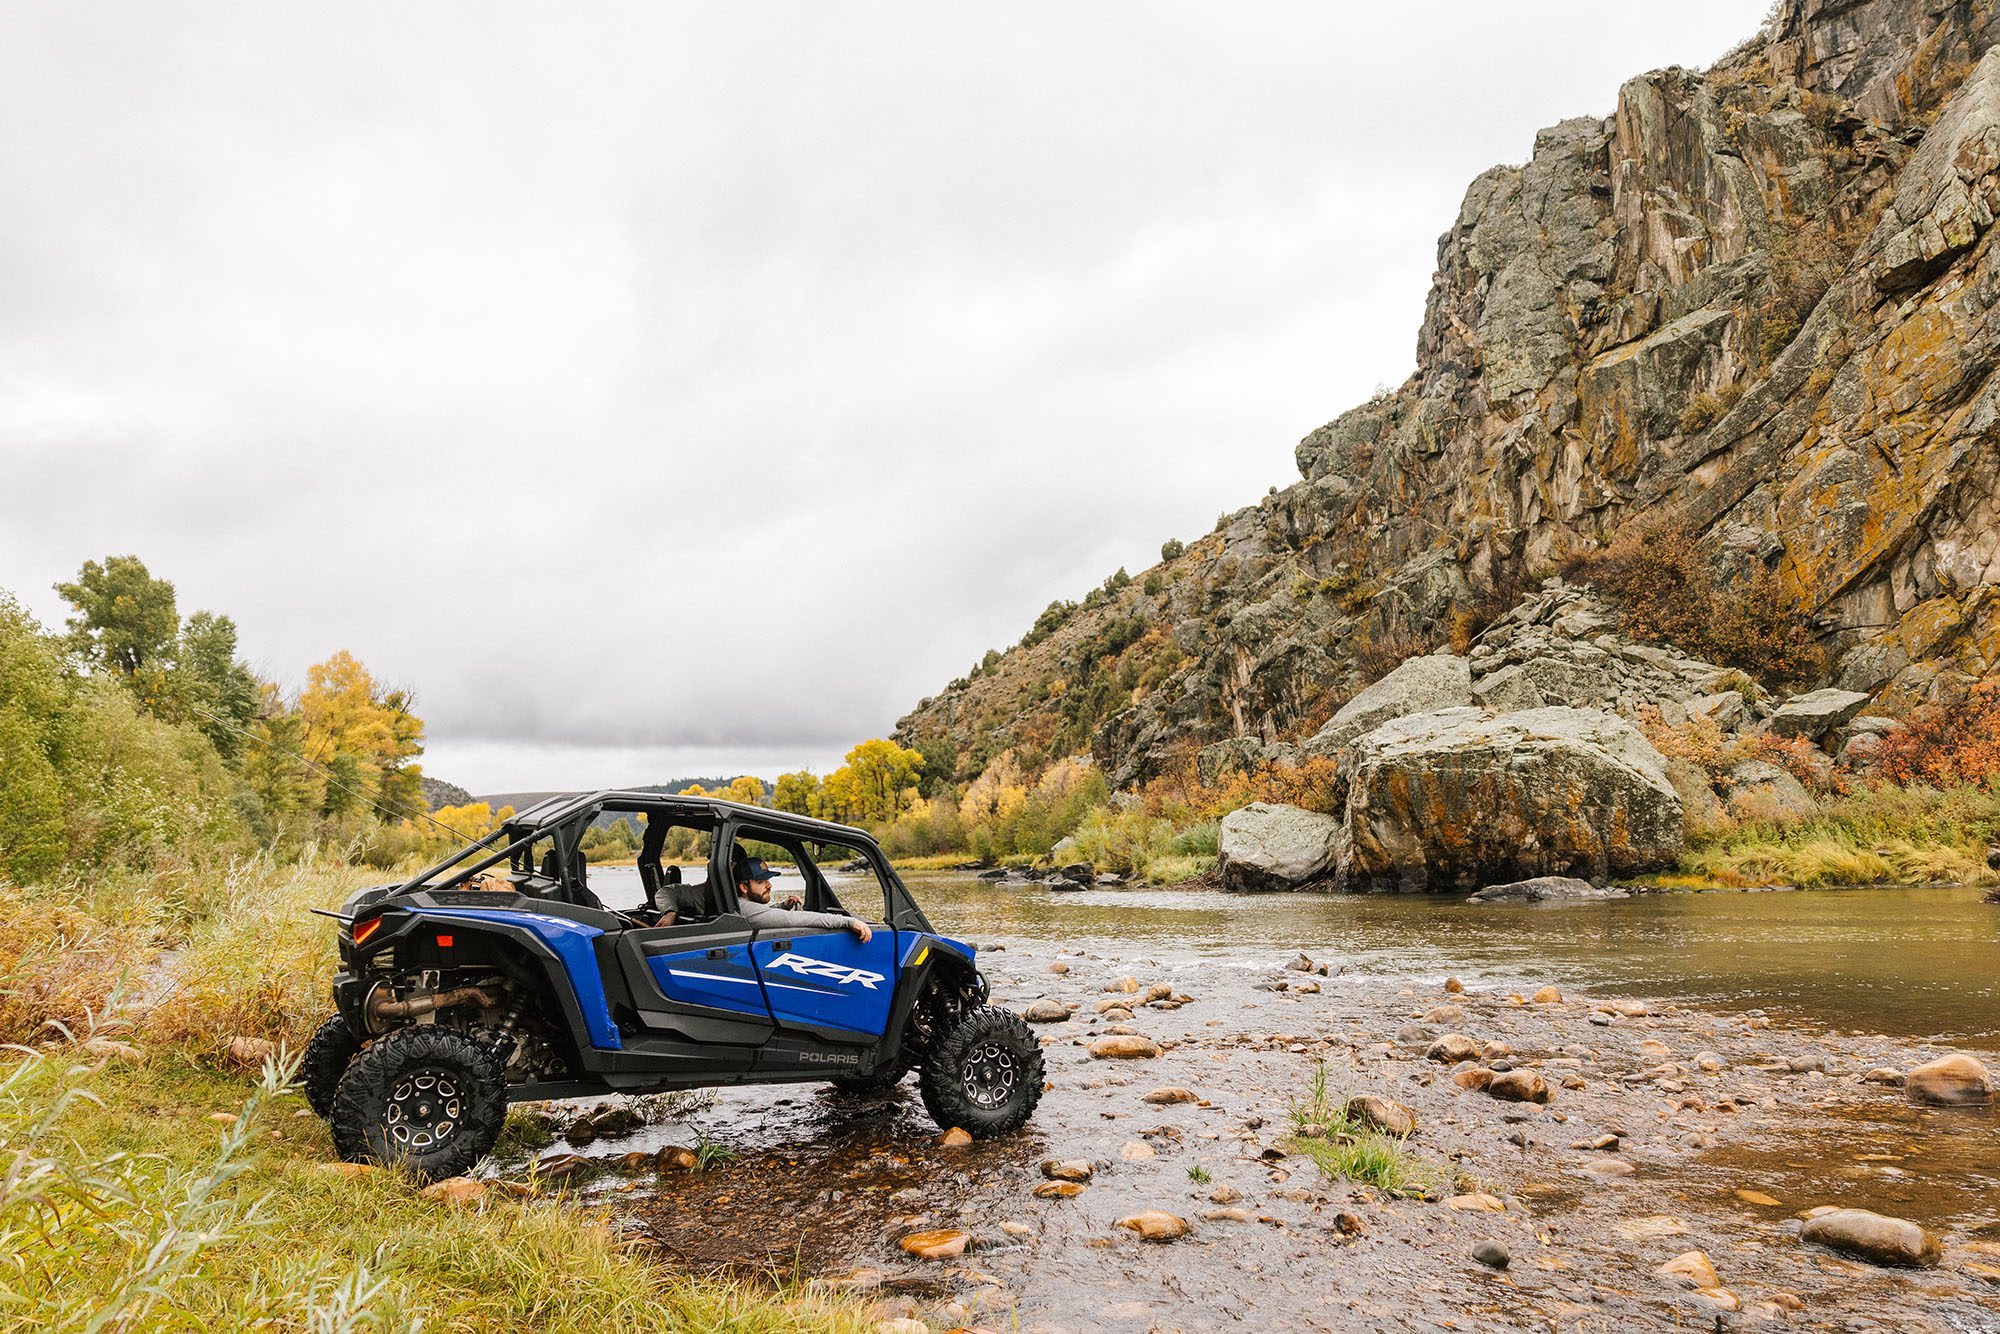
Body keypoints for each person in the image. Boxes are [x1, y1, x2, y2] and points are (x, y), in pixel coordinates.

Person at [734, 857, 872, 943]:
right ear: (744, 887)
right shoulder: (746, 909)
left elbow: (763, 914)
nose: (769, 885)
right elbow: (795, 919)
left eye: (768, 880)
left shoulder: (742, 905)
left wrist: (783, 906)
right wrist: (848, 921)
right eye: (761, 882)